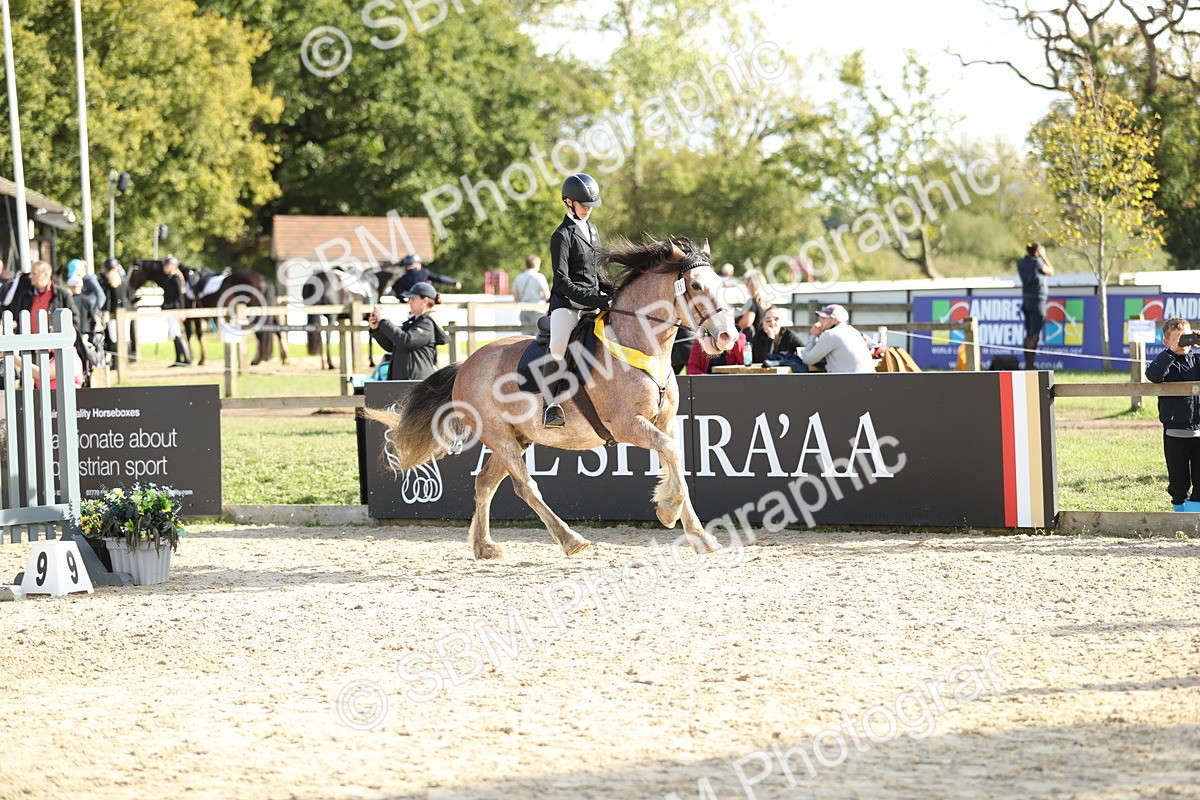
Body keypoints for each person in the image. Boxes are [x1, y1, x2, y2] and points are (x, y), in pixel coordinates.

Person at [545, 172, 611, 427]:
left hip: (593, 302)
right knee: (558, 347)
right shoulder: (562, 235)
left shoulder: (592, 231)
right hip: (567, 305)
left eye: (591, 206)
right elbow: (562, 281)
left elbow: (597, 272)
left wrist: (612, 291)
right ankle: (550, 405)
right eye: (584, 205)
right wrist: (593, 299)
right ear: (569, 202)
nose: (588, 210)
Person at [1147, 317, 1200, 511]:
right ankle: (1179, 517)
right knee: (1178, 485)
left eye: (1186, 337)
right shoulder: (1166, 362)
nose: (1183, 343)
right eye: (1177, 338)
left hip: (1199, 431)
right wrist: (1170, 353)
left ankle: (1194, 522)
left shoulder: (1197, 361)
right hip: (1175, 434)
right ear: (1166, 342)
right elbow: (1153, 376)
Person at [368, 282, 448, 381]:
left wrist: (383, 321)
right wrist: (376, 329)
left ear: (425, 300)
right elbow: (392, 346)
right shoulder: (411, 323)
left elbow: (406, 341)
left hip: (418, 384)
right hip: (404, 382)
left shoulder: (427, 324)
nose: (409, 302)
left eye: (413, 298)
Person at [801, 303, 876, 374]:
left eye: (824, 318)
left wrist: (813, 335)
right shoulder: (852, 330)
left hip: (851, 382)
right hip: (868, 380)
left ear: (834, 320)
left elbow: (807, 360)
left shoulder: (830, 334)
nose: (820, 321)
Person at [1017, 241, 1055, 370]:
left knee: (1029, 334)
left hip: (1026, 300)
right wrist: (1044, 256)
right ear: (1037, 251)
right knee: (1034, 334)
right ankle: (1029, 365)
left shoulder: (1020, 263)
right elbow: (1051, 271)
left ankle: (1028, 364)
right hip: (1037, 301)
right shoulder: (1037, 263)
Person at [100, 258, 136, 359]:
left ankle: (117, 362)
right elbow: (130, 295)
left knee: (114, 338)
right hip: (126, 310)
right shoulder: (124, 280)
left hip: (114, 312)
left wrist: (106, 311)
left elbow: (108, 299)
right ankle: (126, 360)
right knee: (126, 337)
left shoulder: (108, 282)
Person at [160, 256, 192, 366]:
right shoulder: (169, 278)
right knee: (174, 334)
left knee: (176, 333)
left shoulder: (175, 278)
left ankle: (187, 359)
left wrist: (181, 311)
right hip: (170, 309)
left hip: (175, 309)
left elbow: (179, 297)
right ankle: (179, 358)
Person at [391, 253, 461, 298]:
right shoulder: (424, 272)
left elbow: (399, 293)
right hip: (426, 301)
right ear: (417, 264)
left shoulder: (401, 279)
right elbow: (439, 278)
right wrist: (454, 282)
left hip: (412, 303)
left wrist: (403, 301)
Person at [511, 254, 550, 333]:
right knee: (537, 336)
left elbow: (515, 297)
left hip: (524, 310)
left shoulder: (519, 277)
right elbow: (547, 295)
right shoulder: (539, 277)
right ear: (536, 264)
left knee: (525, 338)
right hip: (537, 310)